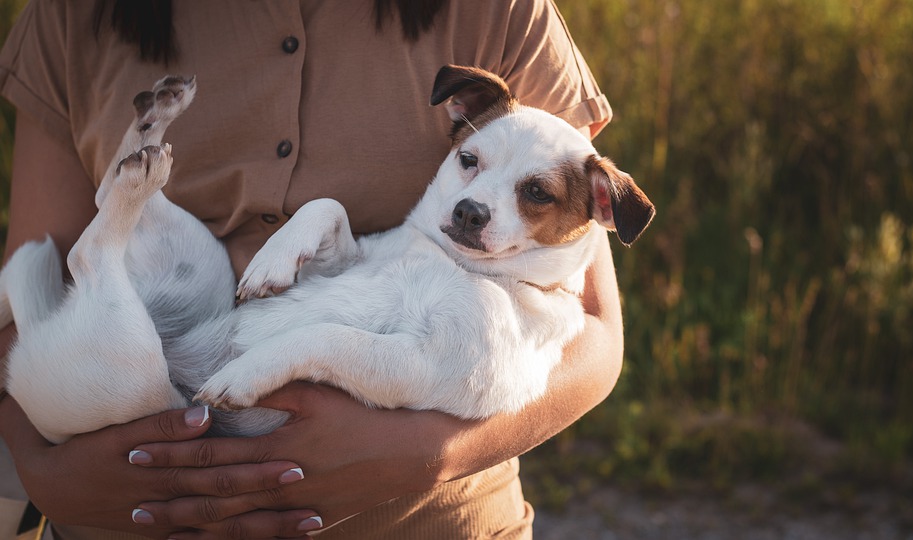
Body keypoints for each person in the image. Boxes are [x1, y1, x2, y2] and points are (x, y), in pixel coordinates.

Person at [0, 1, 625, 538]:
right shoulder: (74, 16)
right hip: (134, 470)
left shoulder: (500, 14)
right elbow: (26, 291)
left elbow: (590, 334)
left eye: (531, 195)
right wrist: (40, 473)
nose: (478, 200)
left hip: (424, 523)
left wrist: (422, 455)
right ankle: (131, 205)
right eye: (470, 164)